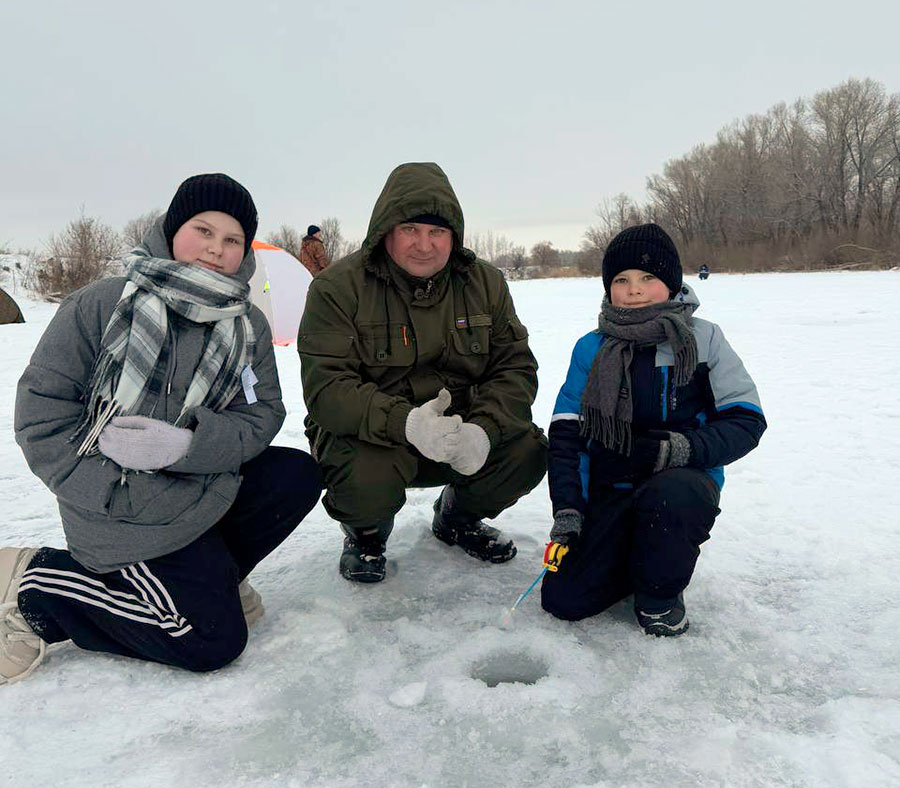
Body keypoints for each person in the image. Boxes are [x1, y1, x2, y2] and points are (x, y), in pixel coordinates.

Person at [1, 173, 322, 686]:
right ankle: (37, 586)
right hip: (123, 509)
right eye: (203, 230)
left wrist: (189, 446)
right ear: (172, 229)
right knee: (209, 641)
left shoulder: (247, 325)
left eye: (232, 239)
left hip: (198, 486)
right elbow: (41, 415)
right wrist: (109, 492)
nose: (217, 250)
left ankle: (218, 574)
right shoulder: (102, 304)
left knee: (296, 473)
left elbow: (261, 415)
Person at [298, 162, 547, 583]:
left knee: (527, 450)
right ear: (386, 230)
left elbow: (515, 367)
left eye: (437, 232)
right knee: (363, 479)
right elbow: (328, 387)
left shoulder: (485, 283)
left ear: (454, 236)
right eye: (411, 229)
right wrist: (407, 423)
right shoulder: (337, 288)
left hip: (459, 433)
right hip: (376, 439)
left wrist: (482, 430)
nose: (424, 245)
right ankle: (366, 533)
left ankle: (459, 517)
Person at [541, 223, 765, 635]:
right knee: (563, 600)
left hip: (678, 485)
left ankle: (660, 592)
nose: (635, 289)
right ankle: (631, 557)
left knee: (673, 496)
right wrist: (569, 509)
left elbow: (746, 421)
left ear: (672, 282)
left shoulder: (704, 340)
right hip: (612, 490)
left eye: (648, 278)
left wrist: (681, 450)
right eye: (622, 280)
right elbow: (567, 434)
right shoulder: (591, 347)